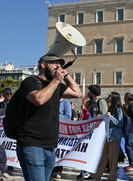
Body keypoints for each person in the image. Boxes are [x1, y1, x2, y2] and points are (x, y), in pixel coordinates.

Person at [16, 53, 81, 181]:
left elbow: (77, 93)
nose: (58, 66)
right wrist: (56, 80)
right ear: (43, 65)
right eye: (55, 63)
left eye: (60, 64)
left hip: (50, 146)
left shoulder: (56, 85)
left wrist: (66, 75)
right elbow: (39, 99)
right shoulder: (30, 82)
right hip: (32, 144)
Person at [90, 92, 124, 181]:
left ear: (114, 98)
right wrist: (101, 117)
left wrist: (110, 117)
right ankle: (96, 175)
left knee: (113, 158)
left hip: (115, 136)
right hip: (108, 135)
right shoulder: (111, 108)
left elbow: (120, 123)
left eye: (110, 96)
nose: (108, 97)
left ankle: (112, 178)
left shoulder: (118, 109)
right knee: (103, 156)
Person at [77, 85, 108, 179]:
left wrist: (96, 118)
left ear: (92, 93)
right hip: (89, 130)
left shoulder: (101, 101)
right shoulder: (92, 102)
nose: (88, 93)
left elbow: (104, 116)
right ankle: (83, 170)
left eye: (89, 91)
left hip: (96, 131)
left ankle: (88, 171)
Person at [52, 98, 72, 179]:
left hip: (61, 131)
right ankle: (51, 169)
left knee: (59, 151)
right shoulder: (51, 99)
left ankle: (58, 170)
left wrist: (55, 115)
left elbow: (68, 117)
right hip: (50, 129)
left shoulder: (65, 102)